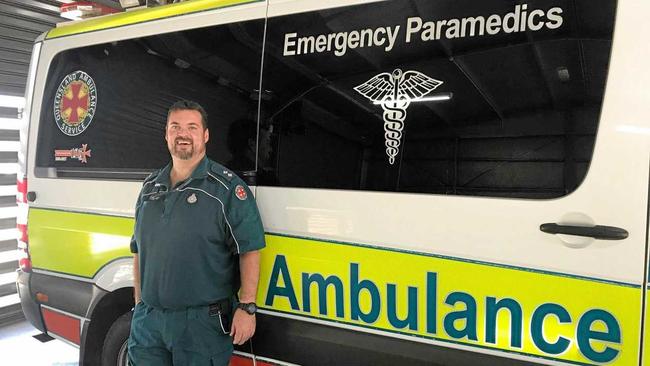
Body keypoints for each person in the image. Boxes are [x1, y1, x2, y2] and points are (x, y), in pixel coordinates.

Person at [128, 100, 265, 366]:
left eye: (192, 127)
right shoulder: (150, 188)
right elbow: (138, 251)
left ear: (205, 135)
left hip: (201, 326)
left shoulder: (226, 189)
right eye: (175, 127)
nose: (183, 134)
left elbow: (249, 249)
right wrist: (139, 306)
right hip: (149, 323)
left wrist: (247, 308)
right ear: (166, 134)